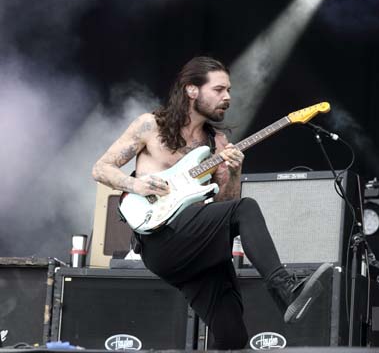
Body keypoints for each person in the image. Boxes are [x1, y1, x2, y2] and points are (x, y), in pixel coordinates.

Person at [92, 56, 332, 350]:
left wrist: (233, 171)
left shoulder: (217, 144)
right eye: (219, 90)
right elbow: (101, 169)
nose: (227, 97)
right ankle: (284, 288)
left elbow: (225, 205)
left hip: (199, 244)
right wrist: (136, 184)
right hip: (160, 239)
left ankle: (272, 302)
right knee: (247, 209)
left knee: (233, 337)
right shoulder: (149, 125)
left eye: (229, 90)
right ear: (192, 90)